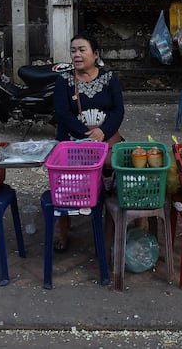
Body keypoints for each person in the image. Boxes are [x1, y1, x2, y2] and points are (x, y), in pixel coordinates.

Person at [52, 33, 125, 251]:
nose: (77, 54)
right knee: (65, 183)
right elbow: (62, 113)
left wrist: (102, 132)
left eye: (82, 50)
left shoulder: (109, 78)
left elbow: (118, 110)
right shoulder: (63, 80)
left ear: (96, 54)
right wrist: (85, 134)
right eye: (73, 50)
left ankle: (114, 224)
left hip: (106, 139)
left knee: (119, 173)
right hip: (72, 141)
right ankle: (62, 230)